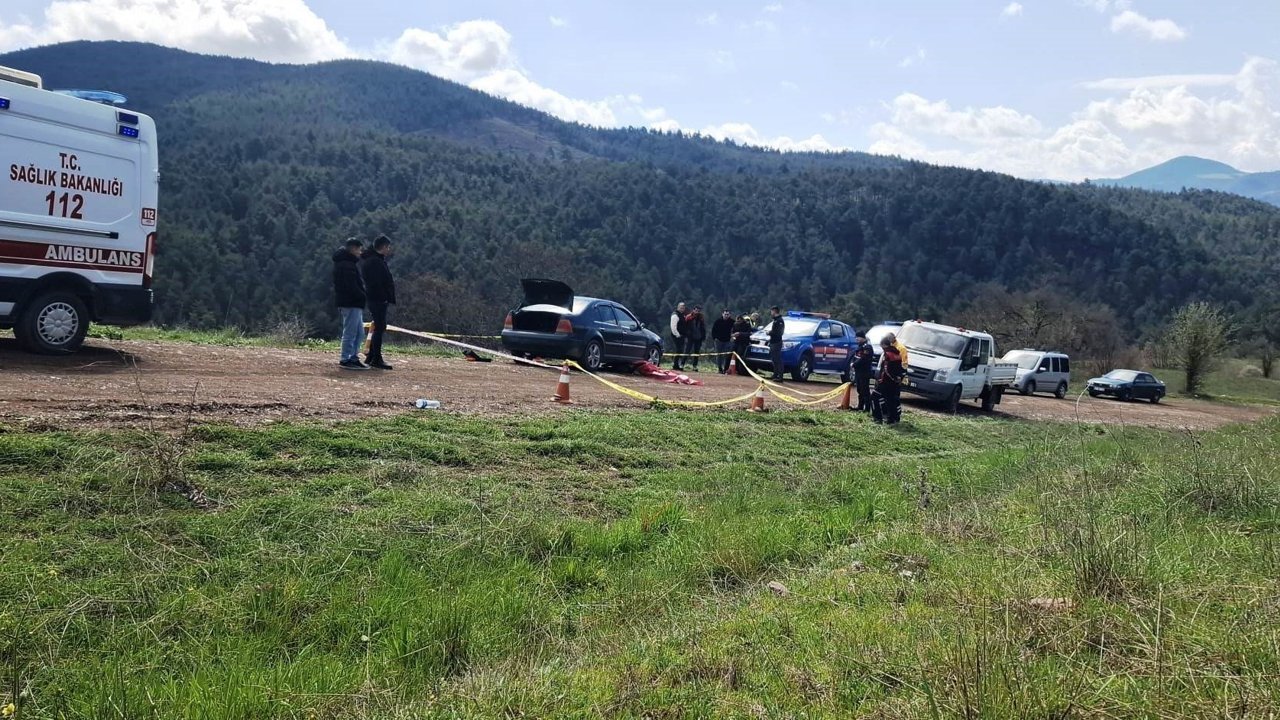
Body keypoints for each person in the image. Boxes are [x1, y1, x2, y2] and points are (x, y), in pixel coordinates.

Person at [359, 234, 396, 370]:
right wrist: (384, 296)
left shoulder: (371, 260)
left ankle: (371, 356)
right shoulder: (375, 262)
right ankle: (376, 358)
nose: (389, 249)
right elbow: (377, 282)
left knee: (379, 326)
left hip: (374, 298)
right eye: (388, 247)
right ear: (383, 247)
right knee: (380, 327)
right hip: (378, 299)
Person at [332, 237, 368, 370]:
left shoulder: (347, 263)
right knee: (350, 332)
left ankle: (353, 357)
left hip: (354, 303)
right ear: (353, 249)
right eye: (359, 249)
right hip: (350, 302)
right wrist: (362, 295)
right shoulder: (346, 265)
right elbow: (351, 286)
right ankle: (345, 358)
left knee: (359, 332)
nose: (360, 252)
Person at [872, 337, 907, 424]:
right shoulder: (897, 354)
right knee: (890, 400)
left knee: (875, 396)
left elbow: (886, 369)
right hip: (894, 382)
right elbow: (899, 368)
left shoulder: (887, 354)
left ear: (884, 345)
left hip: (885, 382)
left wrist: (880, 379)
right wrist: (897, 379)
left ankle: (877, 418)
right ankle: (892, 419)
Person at [851, 332, 876, 411]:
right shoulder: (860, 346)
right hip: (858, 371)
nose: (856, 339)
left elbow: (864, 359)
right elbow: (856, 357)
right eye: (856, 337)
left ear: (863, 338)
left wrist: (854, 364)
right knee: (859, 390)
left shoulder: (867, 347)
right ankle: (860, 406)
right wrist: (853, 363)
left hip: (864, 372)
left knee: (865, 390)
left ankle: (867, 408)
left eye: (858, 337)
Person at [711, 309, 735, 374]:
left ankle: (725, 368)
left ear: (729, 315)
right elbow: (713, 330)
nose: (726, 316)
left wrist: (732, 337)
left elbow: (735, 329)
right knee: (719, 355)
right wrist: (715, 338)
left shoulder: (732, 322)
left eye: (727, 314)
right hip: (718, 341)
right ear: (722, 314)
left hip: (728, 341)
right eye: (725, 314)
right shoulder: (718, 321)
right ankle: (720, 368)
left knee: (727, 355)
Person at [685, 305, 707, 371]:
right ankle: (682, 363)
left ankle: (695, 366)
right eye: (696, 310)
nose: (697, 312)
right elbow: (685, 326)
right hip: (690, 337)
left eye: (698, 311)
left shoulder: (701, 317)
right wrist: (687, 334)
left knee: (696, 352)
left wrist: (703, 336)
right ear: (693, 310)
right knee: (687, 350)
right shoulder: (689, 317)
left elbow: (703, 327)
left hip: (699, 337)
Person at [766, 306, 786, 381]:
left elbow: (779, 332)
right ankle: (775, 374)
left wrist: (769, 332)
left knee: (778, 359)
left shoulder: (779, 321)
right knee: (774, 359)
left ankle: (780, 377)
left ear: (774, 311)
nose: (771, 313)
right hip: (773, 342)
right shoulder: (775, 320)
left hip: (777, 342)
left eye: (771, 311)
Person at [669, 302, 688, 370]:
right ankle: (675, 365)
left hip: (682, 335)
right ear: (678, 307)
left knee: (681, 350)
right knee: (678, 350)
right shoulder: (675, 315)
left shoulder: (682, 315)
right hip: (676, 335)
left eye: (683, 308)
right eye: (681, 308)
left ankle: (677, 365)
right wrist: (678, 335)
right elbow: (673, 327)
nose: (682, 309)